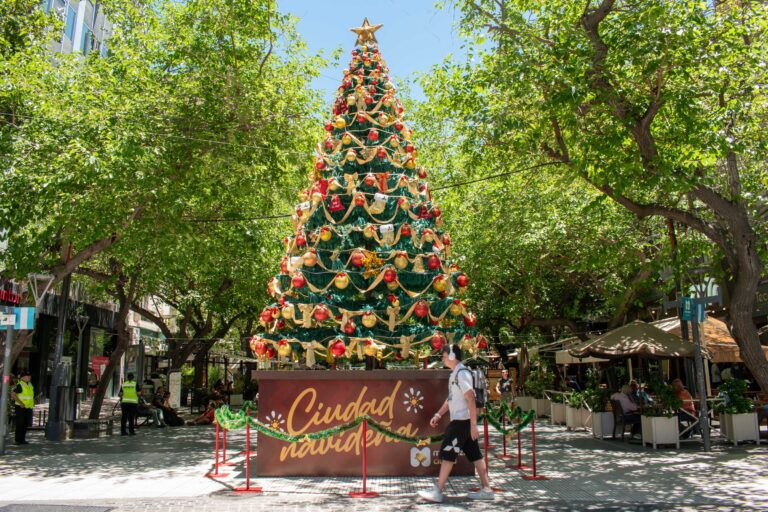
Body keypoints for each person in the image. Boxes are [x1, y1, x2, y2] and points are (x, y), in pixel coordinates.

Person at [418, 344, 494, 503]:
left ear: (452, 355)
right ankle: (487, 489)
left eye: (444, 355)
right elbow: (451, 398)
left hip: (461, 422)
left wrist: (473, 425)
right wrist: (439, 414)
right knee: (476, 456)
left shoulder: (462, 373)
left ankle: (438, 491)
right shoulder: (455, 374)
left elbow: (470, 397)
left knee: (447, 454)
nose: (443, 359)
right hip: (462, 422)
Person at [10, 370, 34, 445]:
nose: (29, 377)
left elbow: (30, 396)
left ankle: (22, 439)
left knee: (25, 424)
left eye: (30, 376)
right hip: (20, 407)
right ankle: (17, 440)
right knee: (20, 423)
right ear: (23, 377)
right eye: (28, 376)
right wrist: (20, 403)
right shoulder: (20, 385)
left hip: (28, 407)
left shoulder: (30, 384)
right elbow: (13, 395)